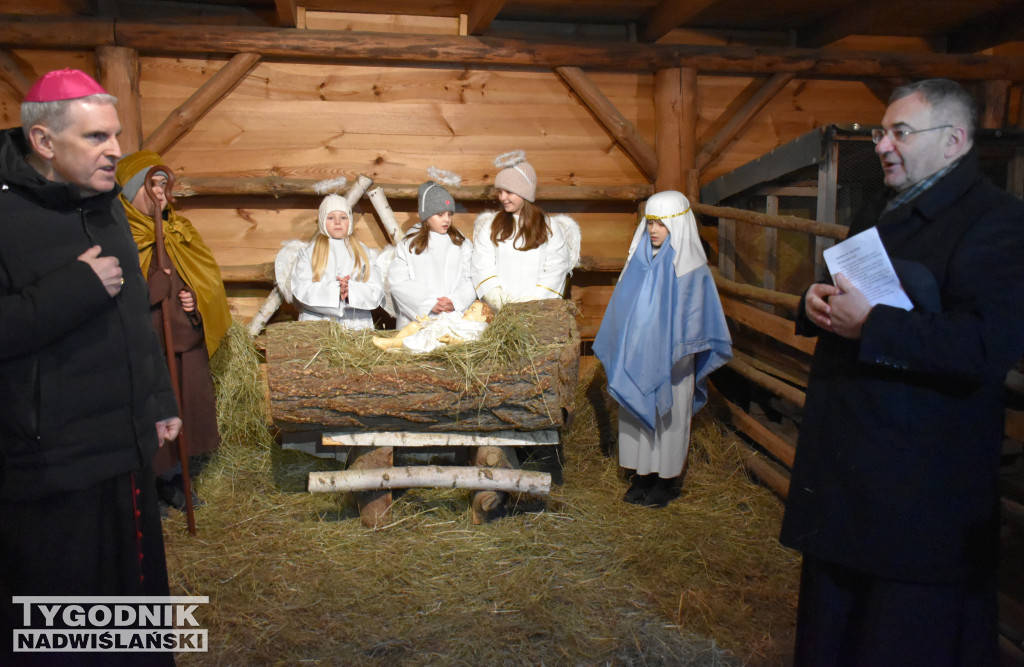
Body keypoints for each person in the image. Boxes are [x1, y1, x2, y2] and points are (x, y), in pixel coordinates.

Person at [779, 79, 1024, 665]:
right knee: (835, 624)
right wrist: (814, 303)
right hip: (852, 469)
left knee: (899, 636)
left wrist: (874, 325)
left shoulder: (997, 222)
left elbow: (985, 346)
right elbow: (849, 284)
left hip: (918, 485)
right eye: (880, 131)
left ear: (954, 140)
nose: (883, 145)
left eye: (900, 132)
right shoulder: (882, 205)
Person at [0, 69, 179, 662]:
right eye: (97, 138)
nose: (117, 152)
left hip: (120, 449)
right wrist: (74, 288)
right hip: (48, 461)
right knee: (59, 623)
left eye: (116, 135)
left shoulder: (104, 207)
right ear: (45, 142)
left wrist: (156, 401)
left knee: (131, 612)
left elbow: (132, 317)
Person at [593, 191, 732, 508]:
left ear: (679, 226)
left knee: (668, 420)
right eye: (650, 223)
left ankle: (665, 480)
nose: (654, 230)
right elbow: (621, 310)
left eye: (662, 224)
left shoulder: (692, 270)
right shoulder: (638, 262)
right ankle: (641, 475)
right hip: (635, 358)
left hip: (673, 365)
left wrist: (674, 350)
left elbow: (699, 320)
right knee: (636, 419)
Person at [116, 150, 232, 515]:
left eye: (164, 185)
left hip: (184, 344)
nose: (160, 193)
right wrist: (150, 290)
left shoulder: (180, 231)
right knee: (149, 412)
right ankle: (145, 484)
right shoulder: (119, 235)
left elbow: (208, 281)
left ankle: (176, 479)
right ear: (131, 191)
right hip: (144, 349)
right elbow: (111, 295)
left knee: (184, 410)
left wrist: (194, 301)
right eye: (152, 185)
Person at [470, 151, 579, 311]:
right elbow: (482, 265)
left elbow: (556, 267)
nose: (502, 197)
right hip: (500, 312)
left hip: (537, 312)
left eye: (508, 192)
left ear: (524, 192)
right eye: (500, 192)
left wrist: (531, 303)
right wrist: (501, 302)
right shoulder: (491, 225)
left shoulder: (549, 227)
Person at [389, 173, 476, 328]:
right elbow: (399, 282)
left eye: (450, 214)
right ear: (426, 216)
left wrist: (454, 301)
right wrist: (428, 303)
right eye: (440, 214)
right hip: (418, 320)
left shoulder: (461, 244)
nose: (446, 219)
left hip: (453, 317)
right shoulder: (409, 244)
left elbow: (470, 277)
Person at [290, 193, 384, 327]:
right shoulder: (309, 252)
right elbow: (301, 288)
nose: (338, 222)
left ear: (349, 221)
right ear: (322, 221)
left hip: (356, 324)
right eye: (331, 217)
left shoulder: (362, 252)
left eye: (343, 217)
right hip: (318, 324)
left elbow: (375, 290)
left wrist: (350, 290)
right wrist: (336, 291)